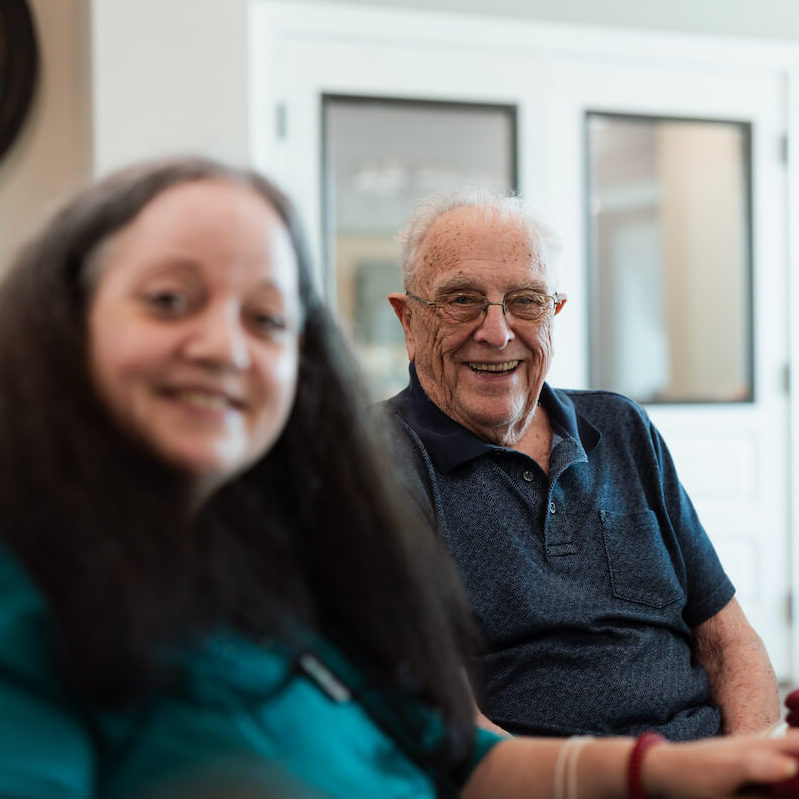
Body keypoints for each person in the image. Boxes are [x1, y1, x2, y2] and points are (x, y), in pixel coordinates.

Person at [0, 157, 796, 799]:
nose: (226, 347)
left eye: (268, 318)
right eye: (170, 299)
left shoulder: (267, 565)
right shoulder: (38, 601)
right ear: (406, 319)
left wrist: (726, 765)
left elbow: (466, 752)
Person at [384, 185, 780, 742]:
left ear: (554, 314)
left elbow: (729, 641)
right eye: (461, 300)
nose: (497, 333)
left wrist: (750, 763)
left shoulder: (621, 428)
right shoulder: (377, 461)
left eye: (526, 301)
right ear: (408, 321)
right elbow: (446, 719)